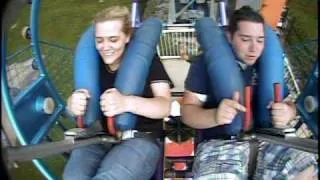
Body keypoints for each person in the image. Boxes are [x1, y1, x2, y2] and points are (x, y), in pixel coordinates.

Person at [181, 6, 317, 180]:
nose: (254, 49)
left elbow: (289, 103)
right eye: (246, 39)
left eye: (260, 40)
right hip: (221, 144)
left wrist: (289, 111)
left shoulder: (270, 63)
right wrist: (214, 115)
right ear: (230, 37)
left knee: (306, 168)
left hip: (270, 139)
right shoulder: (205, 64)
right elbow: (187, 112)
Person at [63, 6, 173, 180]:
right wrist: (72, 104)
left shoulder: (145, 60)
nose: (106, 47)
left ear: (127, 37)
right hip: (97, 138)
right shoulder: (92, 63)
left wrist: (127, 103)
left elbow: (165, 106)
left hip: (140, 139)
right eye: (100, 40)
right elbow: (72, 107)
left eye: (113, 39)